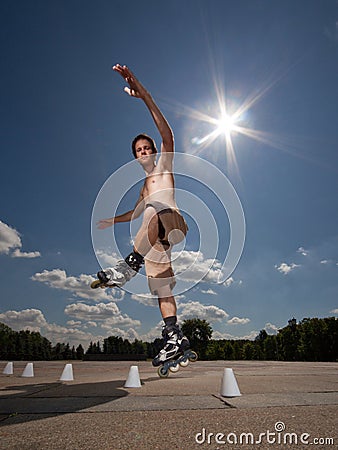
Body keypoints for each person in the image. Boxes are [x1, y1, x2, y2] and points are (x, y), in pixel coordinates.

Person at [94, 64, 189, 367]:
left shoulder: (163, 166)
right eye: (140, 149)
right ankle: (174, 337)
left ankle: (127, 265)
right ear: (135, 156)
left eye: (148, 147)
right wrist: (112, 220)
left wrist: (145, 96)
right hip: (153, 237)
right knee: (161, 287)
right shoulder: (144, 188)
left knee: (152, 209)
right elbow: (135, 213)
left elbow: (168, 134)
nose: (146, 151)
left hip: (172, 221)